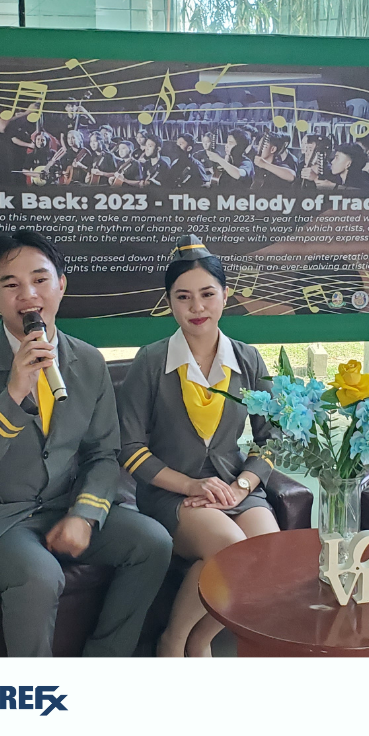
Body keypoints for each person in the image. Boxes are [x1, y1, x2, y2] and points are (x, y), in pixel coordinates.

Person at [0, 230, 172, 656]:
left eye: (40, 279)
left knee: (153, 543)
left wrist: (85, 514)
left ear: (61, 285)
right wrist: (13, 394)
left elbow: (102, 454)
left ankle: (106, 662)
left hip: (61, 505)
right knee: (41, 576)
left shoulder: (89, 361)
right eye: (11, 284)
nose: (28, 295)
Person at [117, 235, 280, 657]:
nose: (197, 307)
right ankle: (173, 639)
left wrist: (242, 486)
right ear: (169, 303)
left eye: (207, 294)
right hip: (171, 492)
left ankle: (200, 638)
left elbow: (274, 437)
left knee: (269, 557)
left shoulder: (248, 359)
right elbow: (129, 447)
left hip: (234, 486)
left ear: (225, 295)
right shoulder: (151, 361)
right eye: (183, 297)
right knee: (230, 548)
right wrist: (191, 486)